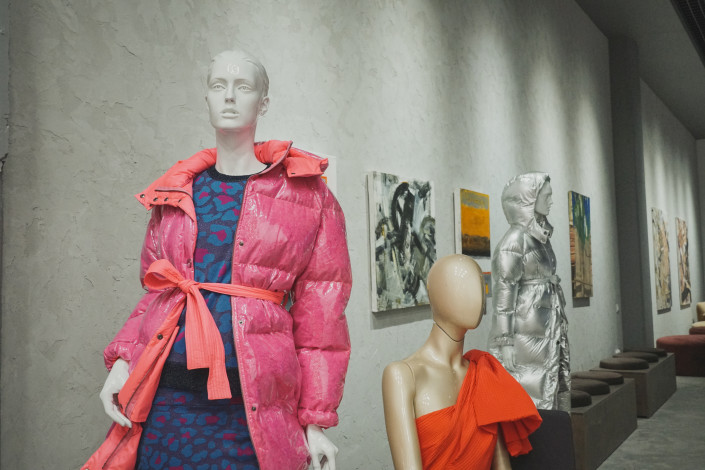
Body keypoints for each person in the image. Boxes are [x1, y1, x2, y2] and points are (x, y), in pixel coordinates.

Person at [83, 49, 352, 470]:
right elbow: (157, 295)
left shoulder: (309, 196)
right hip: (167, 404)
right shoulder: (175, 192)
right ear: (206, 97)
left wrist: (315, 421)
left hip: (249, 410)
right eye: (218, 86)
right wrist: (122, 362)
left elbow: (323, 318)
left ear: (263, 103)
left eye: (242, 87)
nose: (229, 96)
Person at [382, 254, 541, 470]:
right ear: (437, 294)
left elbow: (502, 465)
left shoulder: (484, 373)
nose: (478, 297)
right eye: (463, 285)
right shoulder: (403, 375)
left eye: (480, 286)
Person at [488, 172, 570, 411]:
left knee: (550, 387)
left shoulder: (541, 239)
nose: (551, 201)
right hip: (525, 334)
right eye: (546, 196)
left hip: (547, 328)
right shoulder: (512, 243)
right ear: (528, 199)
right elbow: (503, 295)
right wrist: (505, 342)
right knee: (529, 395)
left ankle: (552, 431)